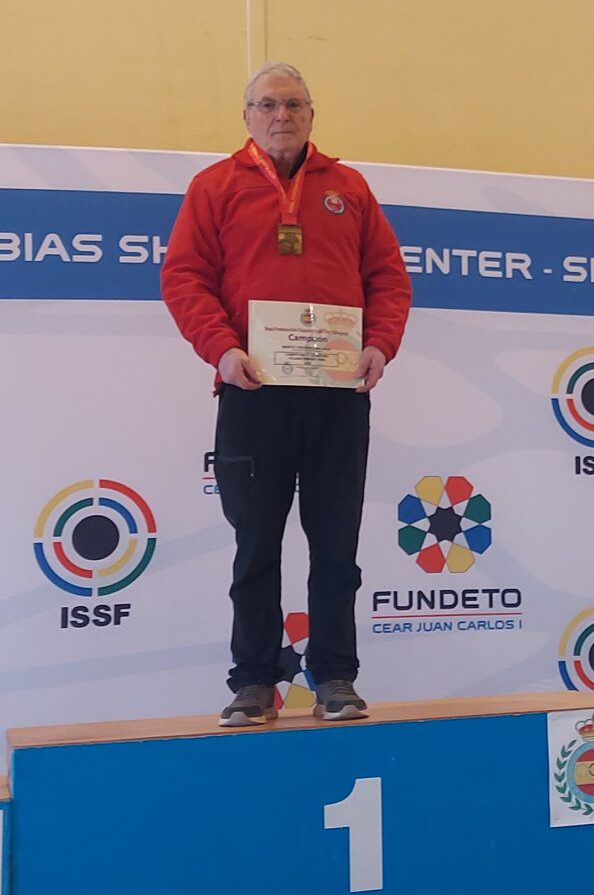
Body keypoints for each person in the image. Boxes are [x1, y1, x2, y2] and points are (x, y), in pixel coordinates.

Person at [161, 62, 412, 727]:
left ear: (311, 114)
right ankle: (253, 679)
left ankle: (334, 676)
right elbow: (184, 278)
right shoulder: (214, 187)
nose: (282, 115)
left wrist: (380, 343)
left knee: (336, 545)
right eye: (268, 104)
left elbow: (388, 277)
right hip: (253, 392)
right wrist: (223, 349)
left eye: (295, 104)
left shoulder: (349, 188)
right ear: (247, 116)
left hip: (337, 397)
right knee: (256, 545)